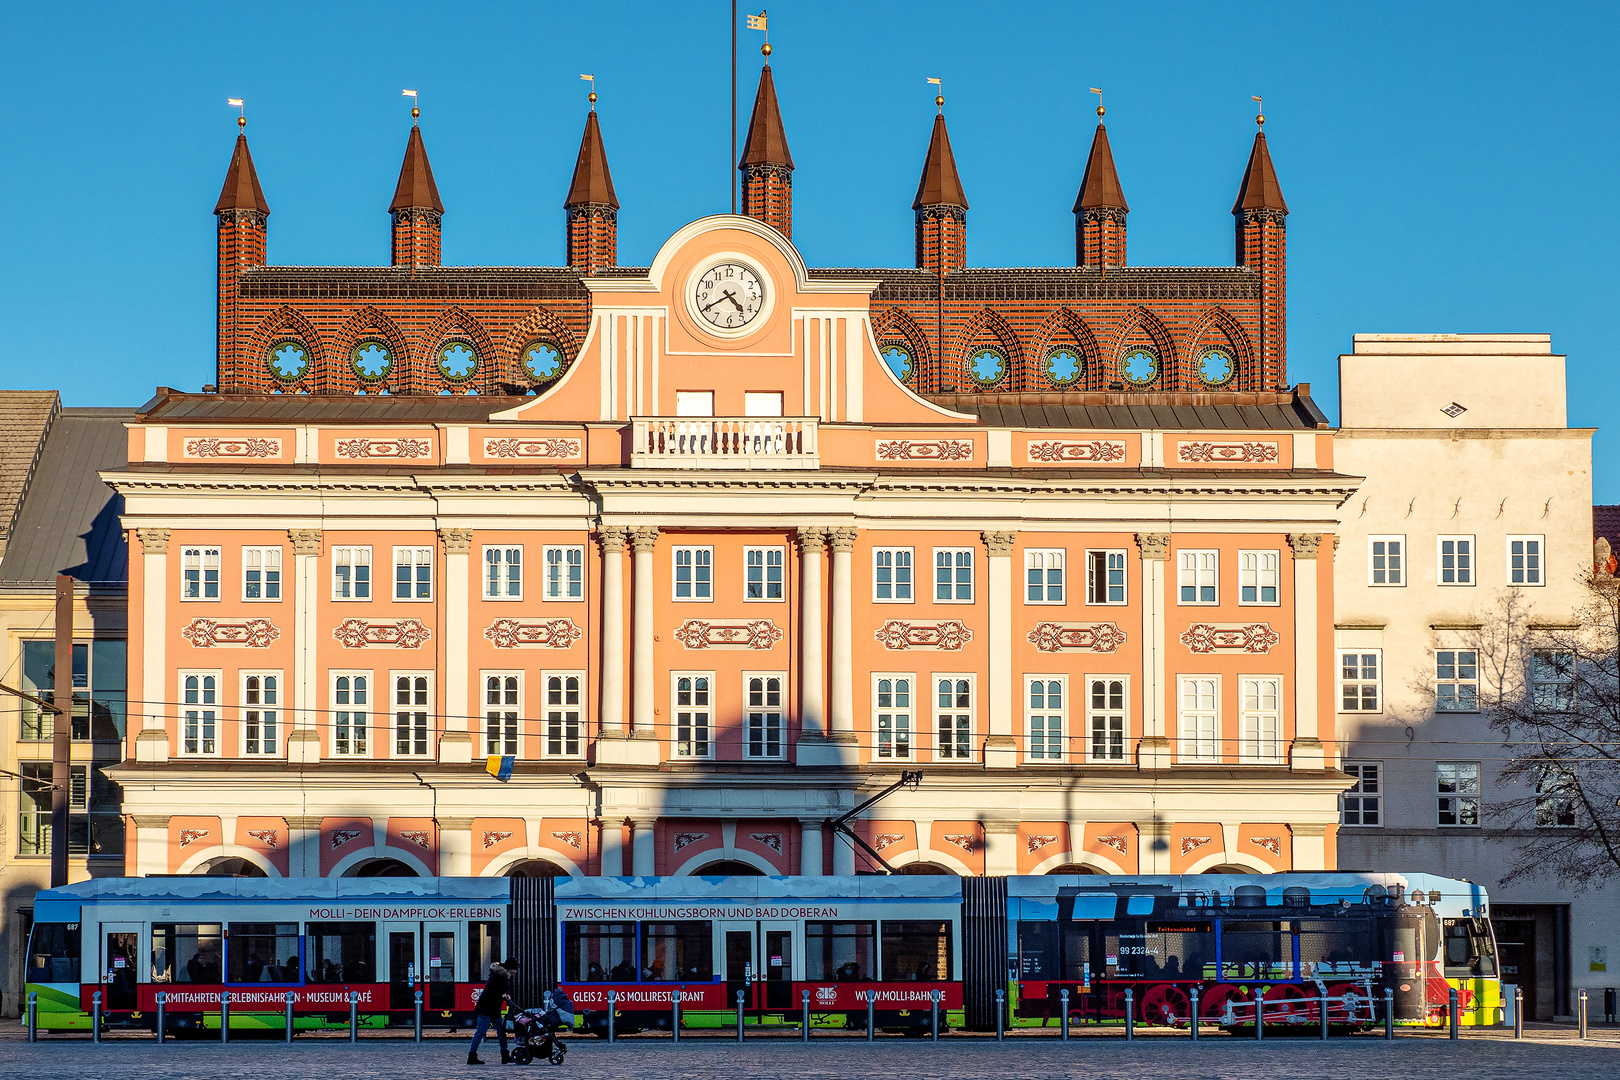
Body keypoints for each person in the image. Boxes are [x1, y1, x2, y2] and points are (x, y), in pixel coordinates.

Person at [468, 956, 520, 1065]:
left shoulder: (503, 976)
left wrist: (505, 995)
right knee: (481, 1032)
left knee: (501, 1031)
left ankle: (505, 1055)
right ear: (510, 968)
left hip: (494, 1008)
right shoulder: (497, 976)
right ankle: (471, 1056)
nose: (515, 971)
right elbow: (491, 990)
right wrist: (502, 995)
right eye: (514, 969)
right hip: (486, 1009)